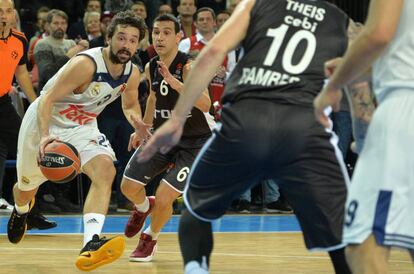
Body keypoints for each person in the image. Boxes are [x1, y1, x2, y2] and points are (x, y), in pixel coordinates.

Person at [138, 0, 352, 273]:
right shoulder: (338, 19)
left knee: (196, 211)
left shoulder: (257, 4)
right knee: (343, 234)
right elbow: (363, 57)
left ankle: (195, 268)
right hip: (303, 128)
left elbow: (215, 49)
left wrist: (178, 117)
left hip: (245, 120)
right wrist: (334, 91)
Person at [7, 10, 148, 271]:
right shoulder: (86, 64)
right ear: (109, 38)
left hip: (82, 125)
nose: (126, 45)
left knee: (105, 170)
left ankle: (90, 243)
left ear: (138, 43)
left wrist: (137, 123)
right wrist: (46, 134)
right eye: (121, 38)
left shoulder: (132, 73)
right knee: (26, 189)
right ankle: (21, 209)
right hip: (44, 121)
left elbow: (129, 105)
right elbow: (47, 99)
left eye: (132, 39)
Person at [314, 0, 414, 272]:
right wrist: (353, 64)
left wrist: (333, 86)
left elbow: (378, 34)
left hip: (405, 109)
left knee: (363, 244)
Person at [120, 13, 213, 262]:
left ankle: (150, 237)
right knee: (127, 186)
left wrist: (176, 83)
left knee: (164, 195)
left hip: (195, 141)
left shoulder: (190, 66)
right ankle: (142, 207)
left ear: (178, 36)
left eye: (166, 33)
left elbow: (206, 104)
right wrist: (144, 127)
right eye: (156, 32)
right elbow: (152, 97)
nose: (159, 37)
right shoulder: (151, 65)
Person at [0, 0, 55, 230]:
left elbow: (21, 73)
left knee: (30, 151)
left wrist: (37, 104)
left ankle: (28, 212)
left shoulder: (20, 39)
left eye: (8, 10)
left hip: (2, 104)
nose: (3, 15)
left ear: (14, 14)